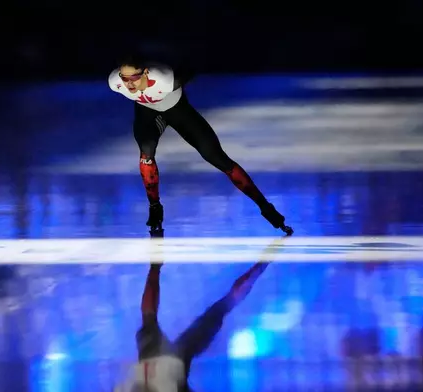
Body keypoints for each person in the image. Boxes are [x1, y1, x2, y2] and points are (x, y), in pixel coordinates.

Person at [108, 55, 293, 236]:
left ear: (146, 73)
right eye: (125, 78)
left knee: (217, 158)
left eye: (134, 78)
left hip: (178, 111)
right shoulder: (114, 83)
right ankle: (154, 207)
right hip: (147, 113)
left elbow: (189, 69)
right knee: (146, 154)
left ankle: (266, 208)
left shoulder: (165, 80)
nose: (129, 84)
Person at [115, 230, 286, 392]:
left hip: (163, 369)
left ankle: (260, 266)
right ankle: (155, 265)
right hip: (162, 369)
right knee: (151, 316)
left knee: (219, 308)